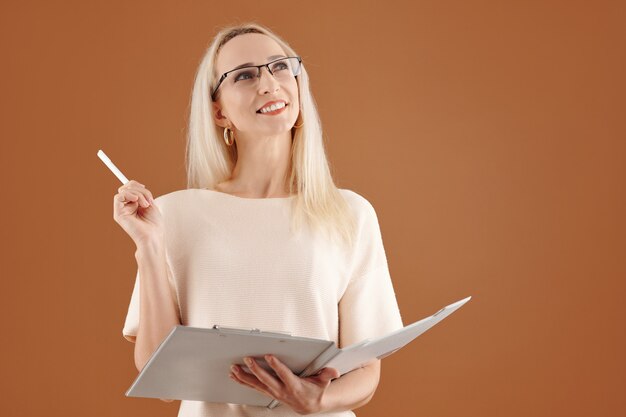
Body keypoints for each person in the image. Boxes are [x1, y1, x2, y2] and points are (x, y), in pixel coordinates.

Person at [114, 22, 403, 417]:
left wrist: (319, 399)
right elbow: (158, 373)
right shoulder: (172, 215)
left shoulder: (350, 214)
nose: (269, 84)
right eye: (245, 75)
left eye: (280, 67)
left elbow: (366, 371)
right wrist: (148, 247)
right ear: (218, 111)